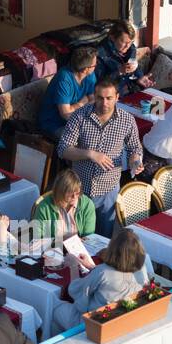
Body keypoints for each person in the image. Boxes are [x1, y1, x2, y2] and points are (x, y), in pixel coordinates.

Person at [57, 77, 142, 236]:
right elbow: (63, 149)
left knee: (103, 239)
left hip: (108, 190)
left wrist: (135, 160)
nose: (104, 103)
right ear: (94, 97)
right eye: (100, 98)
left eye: (109, 98)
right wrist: (90, 154)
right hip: (79, 189)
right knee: (76, 237)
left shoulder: (127, 120)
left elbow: (134, 147)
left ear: (117, 97)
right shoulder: (79, 117)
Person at [53, 229, 152, 331]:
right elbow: (114, 276)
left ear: (113, 249)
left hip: (94, 323)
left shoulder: (103, 271)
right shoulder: (142, 269)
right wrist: (91, 266)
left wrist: (73, 266)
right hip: (122, 318)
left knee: (54, 307)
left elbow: (76, 291)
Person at [36, 46, 98, 141]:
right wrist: (81, 104)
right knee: (86, 141)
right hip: (53, 124)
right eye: (95, 65)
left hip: (76, 118)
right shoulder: (64, 79)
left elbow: (92, 100)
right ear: (86, 69)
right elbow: (66, 114)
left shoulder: (90, 75)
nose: (96, 66)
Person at [30, 169, 97, 247]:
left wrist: (80, 242)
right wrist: (60, 241)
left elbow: (89, 237)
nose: (75, 197)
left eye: (77, 193)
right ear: (60, 192)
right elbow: (37, 240)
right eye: (71, 194)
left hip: (78, 250)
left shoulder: (87, 205)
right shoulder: (44, 207)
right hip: (51, 251)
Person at [95, 20, 154, 95]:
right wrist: (119, 71)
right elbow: (100, 83)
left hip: (131, 90)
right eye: (124, 42)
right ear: (112, 37)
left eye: (130, 42)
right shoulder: (100, 53)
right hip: (113, 96)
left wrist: (140, 77)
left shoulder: (130, 47)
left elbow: (133, 66)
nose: (127, 46)